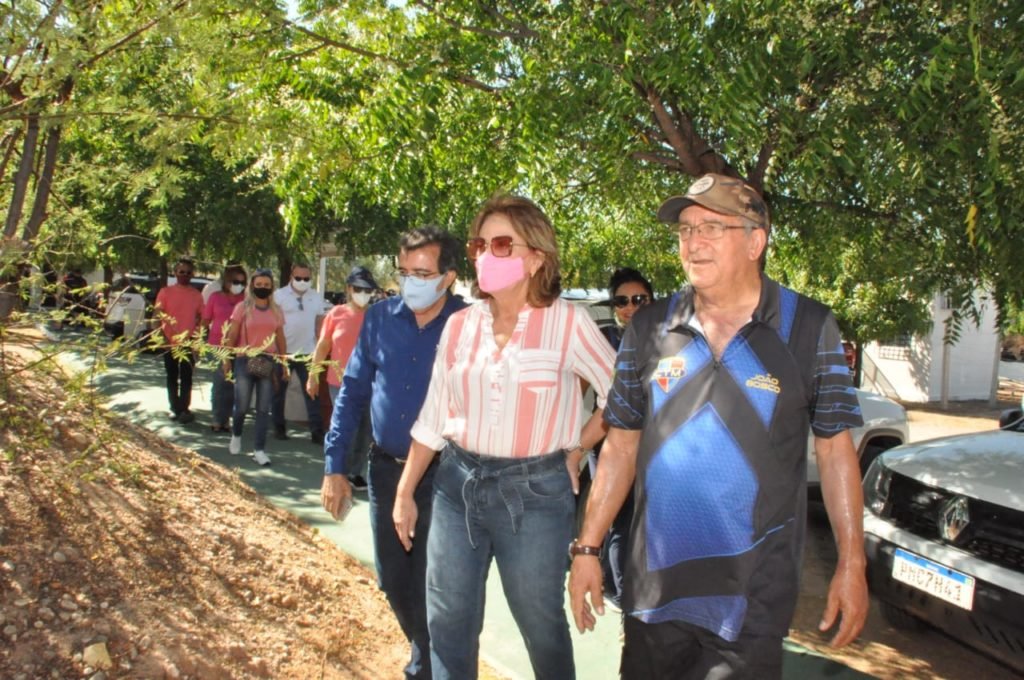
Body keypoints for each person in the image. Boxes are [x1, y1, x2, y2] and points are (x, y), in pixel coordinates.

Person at [568, 173, 869, 679]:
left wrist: (852, 563)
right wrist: (588, 547)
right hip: (654, 591)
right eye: (686, 229)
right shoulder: (650, 327)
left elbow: (836, 451)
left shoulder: (808, 327)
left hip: (751, 599)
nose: (693, 242)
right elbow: (620, 447)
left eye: (711, 227)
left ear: (755, 242)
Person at [393, 195, 616, 680]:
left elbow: (621, 398)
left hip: (536, 494)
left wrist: (578, 448)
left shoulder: (569, 323)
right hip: (456, 485)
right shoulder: (460, 325)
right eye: (479, 245)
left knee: (540, 622)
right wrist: (406, 489)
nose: (484, 255)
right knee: (447, 618)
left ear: (535, 256)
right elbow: (434, 415)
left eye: (500, 244)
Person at [321, 227, 467, 680]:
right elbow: (352, 392)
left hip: (446, 478)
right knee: (392, 579)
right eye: (404, 272)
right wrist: (335, 466)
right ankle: (424, 653)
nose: (410, 283)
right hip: (385, 472)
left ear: (448, 277)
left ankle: (425, 668)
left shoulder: (469, 324)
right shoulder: (381, 318)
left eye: (422, 273)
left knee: (436, 585)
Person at [593, 266, 653, 608]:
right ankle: (623, 601)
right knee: (621, 522)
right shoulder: (603, 339)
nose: (630, 307)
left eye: (638, 299)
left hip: (652, 447)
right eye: (621, 301)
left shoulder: (667, 339)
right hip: (610, 443)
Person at [306, 265, 378, 490]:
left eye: (368, 290)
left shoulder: (377, 315)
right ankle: (337, 472)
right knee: (345, 429)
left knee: (365, 431)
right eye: (358, 289)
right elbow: (323, 345)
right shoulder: (336, 314)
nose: (363, 294)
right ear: (348, 289)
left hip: (371, 383)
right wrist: (313, 376)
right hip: (340, 383)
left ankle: (355, 473)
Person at [223, 269, 288, 467]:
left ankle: (259, 450)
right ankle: (236, 434)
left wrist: (284, 363)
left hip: (267, 361)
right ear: (252, 286)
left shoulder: (276, 310)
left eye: (266, 285)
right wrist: (226, 360)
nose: (262, 288)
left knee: (263, 408)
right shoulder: (242, 308)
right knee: (242, 405)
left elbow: (280, 338)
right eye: (259, 284)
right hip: (244, 359)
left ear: (272, 287)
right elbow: (232, 334)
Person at [272, 263, 326, 444]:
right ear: (291, 277)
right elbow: (273, 324)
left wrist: (320, 348)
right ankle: (279, 427)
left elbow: (319, 323)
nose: (302, 281)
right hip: (284, 353)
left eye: (306, 278)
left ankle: (317, 432)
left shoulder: (315, 297)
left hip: (308, 353)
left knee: (312, 392)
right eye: (298, 278)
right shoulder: (279, 296)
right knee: (279, 392)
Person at [154, 258, 204, 424]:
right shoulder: (165, 292)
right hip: (169, 341)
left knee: (187, 377)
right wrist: (161, 338)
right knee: (172, 376)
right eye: (181, 272)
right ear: (175, 273)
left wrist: (196, 340)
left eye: (188, 272)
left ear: (192, 274)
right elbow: (157, 316)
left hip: (188, 342)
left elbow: (201, 319)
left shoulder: (196, 295)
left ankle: (184, 409)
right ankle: (174, 407)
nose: (185, 275)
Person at [202, 264, 247, 433]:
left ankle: (226, 419)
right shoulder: (215, 297)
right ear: (227, 281)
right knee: (220, 381)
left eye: (242, 282)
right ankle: (217, 418)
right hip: (216, 345)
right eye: (236, 282)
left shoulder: (246, 300)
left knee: (232, 384)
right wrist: (199, 340)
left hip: (238, 347)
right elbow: (205, 320)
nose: (239, 285)